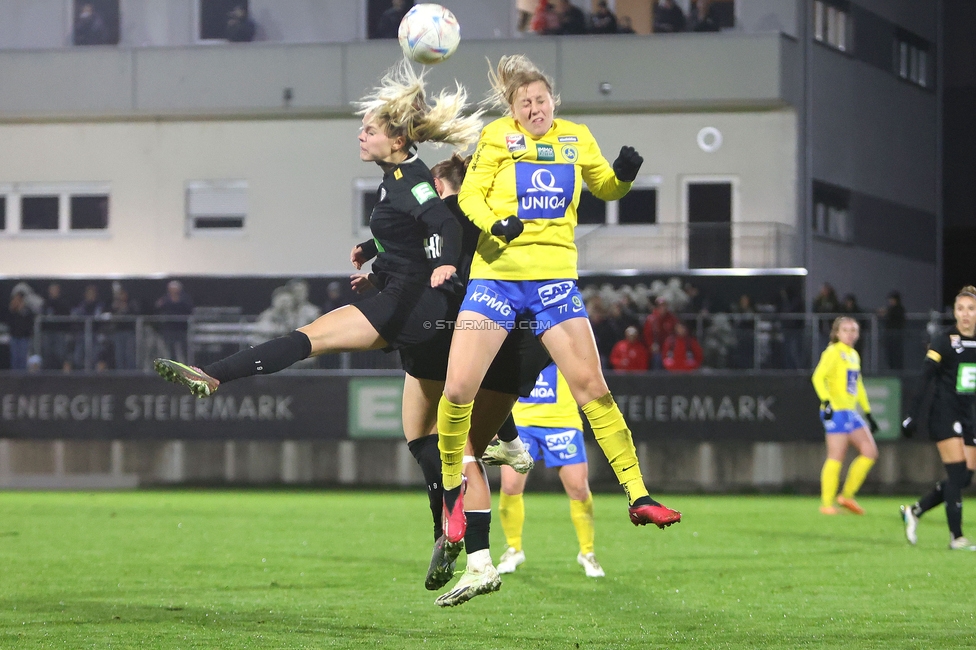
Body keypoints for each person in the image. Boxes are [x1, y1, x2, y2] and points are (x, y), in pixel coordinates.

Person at [436, 54, 681, 563]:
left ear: (553, 102)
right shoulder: (497, 137)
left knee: (593, 387)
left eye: (541, 100)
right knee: (459, 386)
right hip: (498, 279)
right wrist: (494, 226)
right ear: (514, 108)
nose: (534, 108)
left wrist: (624, 176)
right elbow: (471, 199)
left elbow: (604, 188)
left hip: (554, 282)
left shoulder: (577, 137)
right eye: (525, 102)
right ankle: (451, 496)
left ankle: (638, 495)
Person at [489, 363, 605, 579]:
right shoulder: (516, 334)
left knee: (579, 489)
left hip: (562, 422)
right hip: (521, 422)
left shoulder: (563, 332)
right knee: (510, 486)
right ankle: (514, 549)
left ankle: (587, 552)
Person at [900, 286, 976, 551]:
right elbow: (925, 377)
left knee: (965, 478)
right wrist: (912, 414)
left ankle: (915, 510)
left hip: (969, 417)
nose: (965, 314)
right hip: (944, 413)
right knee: (956, 474)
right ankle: (957, 537)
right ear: (954, 312)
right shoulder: (945, 340)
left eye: (971, 308)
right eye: (960, 308)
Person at [811, 317, 879, 515]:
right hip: (835, 411)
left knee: (870, 452)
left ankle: (846, 496)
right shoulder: (833, 352)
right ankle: (826, 504)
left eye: (854, 330)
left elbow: (858, 385)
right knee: (836, 456)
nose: (850, 334)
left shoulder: (853, 355)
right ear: (837, 333)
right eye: (846, 330)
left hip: (850, 411)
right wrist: (826, 401)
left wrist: (867, 412)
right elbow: (817, 377)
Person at [154, 281, 193, 363]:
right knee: (170, 350)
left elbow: (189, 310)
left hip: (181, 328)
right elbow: (158, 307)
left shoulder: (185, 299)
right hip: (169, 328)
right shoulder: (165, 299)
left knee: (183, 349)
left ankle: (186, 366)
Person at [40, 282, 72, 371]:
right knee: (47, 353)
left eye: (55, 289)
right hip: (48, 332)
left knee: (60, 353)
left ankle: (62, 373)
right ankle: (47, 373)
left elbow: (66, 316)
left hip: (59, 332)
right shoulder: (46, 303)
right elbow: (42, 315)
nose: (53, 291)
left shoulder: (63, 302)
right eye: (51, 289)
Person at [109, 282, 141, 370]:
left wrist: (126, 309)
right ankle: (120, 371)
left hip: (129, 331)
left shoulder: (132, 303)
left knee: (129, 353)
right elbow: (112, 315)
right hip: (118, 331)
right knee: (119, 353)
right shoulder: (115, 304)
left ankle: (131, 371)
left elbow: (135, 314)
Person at [6, 285, 36, 371]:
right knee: (14, 358)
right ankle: (14, 377)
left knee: (22, 359)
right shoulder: (12, 312)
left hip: (23, 337)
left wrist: (22, 310)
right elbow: (9, 322)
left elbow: (30, 322)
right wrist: (13, 310)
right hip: (14, 337)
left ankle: (22, 377)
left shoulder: (27, 311)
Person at [643, 296, 677, 370]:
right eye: (660, 306)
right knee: (657, 359)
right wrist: (651, 345)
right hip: (657, 349)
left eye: (664, 305)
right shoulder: (651, 319)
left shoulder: (672, 318)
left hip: (669, 348)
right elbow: (647, 335)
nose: (662, 308)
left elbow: (675, 332)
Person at [879, 290, 906, 371]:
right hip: (890, 337)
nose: (890, 301)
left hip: (896, 336)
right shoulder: (891, 309)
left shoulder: (899, 309)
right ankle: (891, 371)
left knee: (896, 357)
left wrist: (886, 312)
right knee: (890, 356)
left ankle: (897, 372)